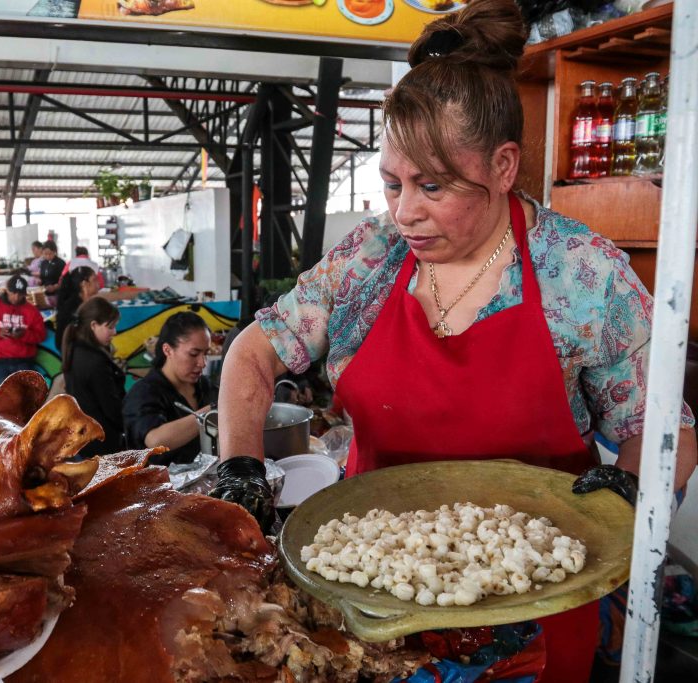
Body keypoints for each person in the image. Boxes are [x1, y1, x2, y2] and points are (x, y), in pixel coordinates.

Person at [210, 3, 697, 682]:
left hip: (536, 605)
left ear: (503, 167)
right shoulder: (370, 260)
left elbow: (660, 421)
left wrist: (633, 487)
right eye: (392, 183)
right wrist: (240, 465)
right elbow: (254, 353)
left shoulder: (580, 274)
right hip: (368, 597)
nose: (405, 210)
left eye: (432, 186)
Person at [123, 312, 214, 467]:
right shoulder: (144, 392)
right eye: (194, 354)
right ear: (167, 350)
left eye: (205, 354)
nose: (202, 363)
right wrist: (210, 413)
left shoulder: (204, 386)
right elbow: (155, 440)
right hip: (158, 487)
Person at [61, 297, 125, 458]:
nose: (114, 332)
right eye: (110, 327)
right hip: (101, 441)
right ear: (93, 325)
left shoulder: (74, 349)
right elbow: (112, 409)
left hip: (83, 437)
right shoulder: (95, 362)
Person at [0, 275, 46, 388]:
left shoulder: (32, 311)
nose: (16, 297)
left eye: (20, 294)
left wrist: (24, 335)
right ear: (7, 290)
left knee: (26, 398)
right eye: (13, 293)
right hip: (0, 361)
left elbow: (41, 335)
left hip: (24, 360)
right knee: (4, 398)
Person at [54, 266, 100, 345]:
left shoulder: (82, 302)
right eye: (94, 280)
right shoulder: (74, 308)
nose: (98, 283)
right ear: (84, 285)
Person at [39, 240, 65, 307]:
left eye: (50, 253)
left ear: (55, 252)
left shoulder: (60, 263)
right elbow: (42, 277)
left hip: (57, 295)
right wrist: (40, 282)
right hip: (45, 294)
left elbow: (64, 280)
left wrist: (55, 287)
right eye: (45, 254)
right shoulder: (43, 263)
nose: (47, 256)